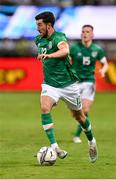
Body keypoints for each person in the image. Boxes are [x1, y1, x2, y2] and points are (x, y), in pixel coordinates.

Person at [34, 12, 97, 163]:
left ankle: (91, 141)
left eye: (40, 25)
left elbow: (65, 50)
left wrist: (49, 56)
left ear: (49, 25)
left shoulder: (59, 37)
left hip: (68, 85)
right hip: (50, 84)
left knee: (80, 117)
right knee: (44, 107)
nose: (37, 28)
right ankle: (55, 147)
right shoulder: (38, 40)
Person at [70, 24, 108, 143]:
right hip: (75, 83)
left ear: (92, 34)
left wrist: (103, 70)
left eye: (88, 31)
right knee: (76, 113)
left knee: (85, 109)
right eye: (83, 31)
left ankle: (77, 135)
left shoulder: (97, 50)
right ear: (81, 34)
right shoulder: (74, 48)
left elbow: (105, 64)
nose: (85, 34)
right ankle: (85, 129)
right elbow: (68, 62)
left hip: (89, 83)